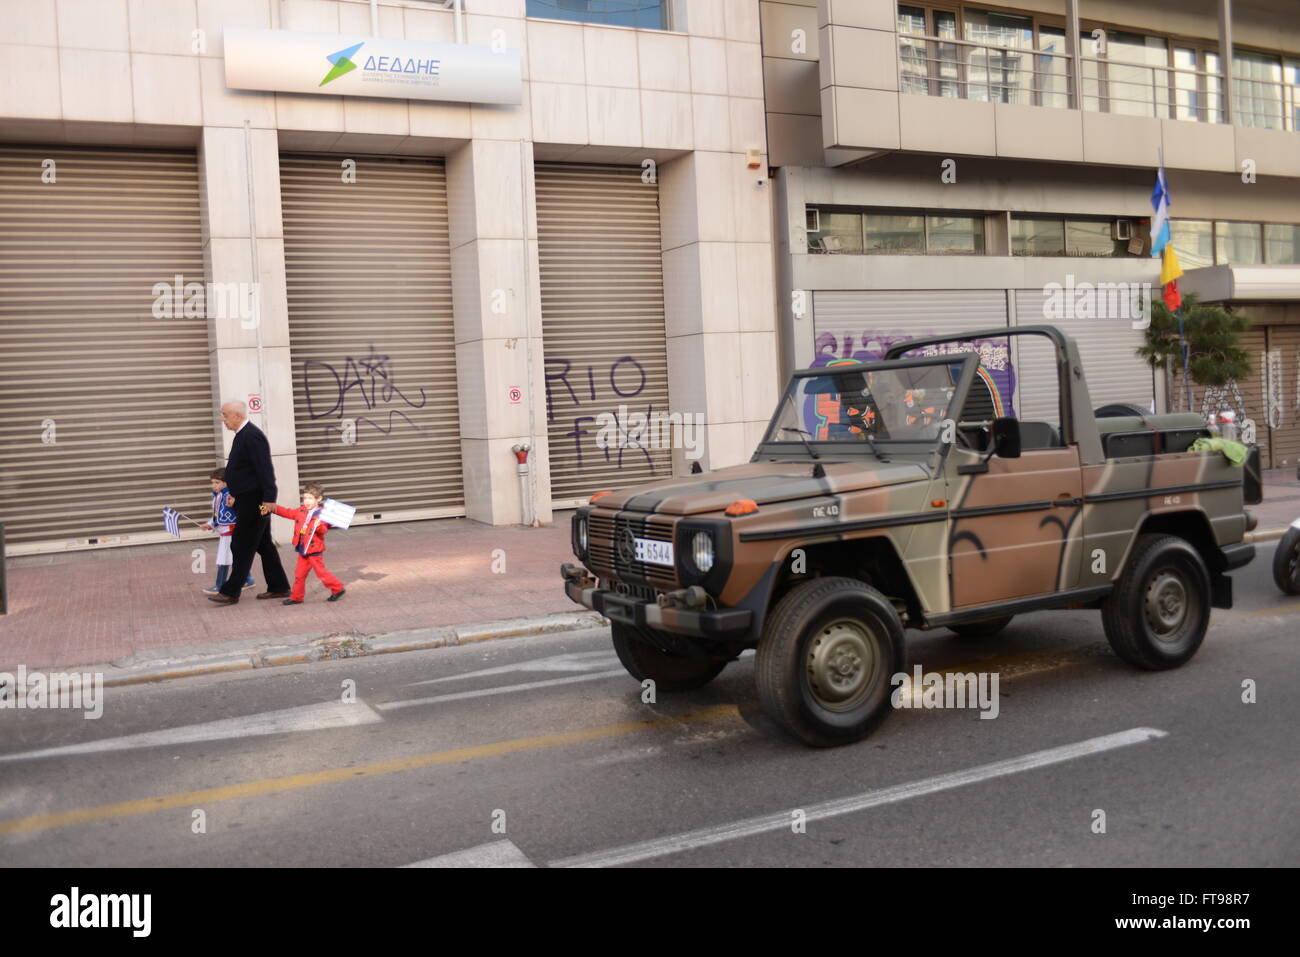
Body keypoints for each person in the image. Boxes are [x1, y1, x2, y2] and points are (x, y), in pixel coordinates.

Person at [209, 400, 291, 605]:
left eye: (225, 415)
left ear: (237, 416)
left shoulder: (252, 436)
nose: (222, 419)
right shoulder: (242, 435)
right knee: (263, 545)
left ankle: (231, 591)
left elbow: (264, 469)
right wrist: (234, 493)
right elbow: (245, 471)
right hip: (245, 498)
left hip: (256, 501)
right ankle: (279, 586)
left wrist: (269, 499)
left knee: (241, 544)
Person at [262, 482, 346, 605]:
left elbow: (323, 530)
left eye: (310, 498)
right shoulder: (301, 510)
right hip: (303, 549)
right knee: (299, 575)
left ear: (319, 499)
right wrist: (268, 507)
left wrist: (318, 527)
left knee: (321, 573)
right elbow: (286, 512)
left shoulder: (323, 514)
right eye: (305, 498)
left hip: (314, 550)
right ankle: (296, 597)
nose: (306, 501)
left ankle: (338, 588)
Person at [200, 468, 255, 595]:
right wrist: (209, 524)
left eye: (217, 482)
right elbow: (217, 515)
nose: (214, 485)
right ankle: (247, 579)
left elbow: (238, 512)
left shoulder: (231, 496)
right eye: (213, 482)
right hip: (227, 531)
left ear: (226, 482)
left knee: (223, 559)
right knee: (237, 557)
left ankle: (220, 585)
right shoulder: (217, 496)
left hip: (231, 532)